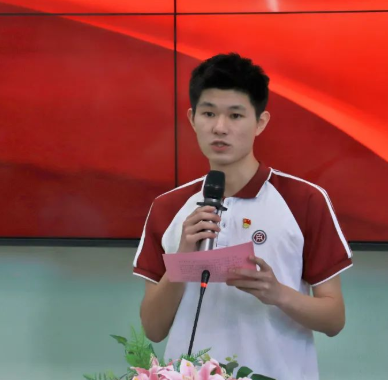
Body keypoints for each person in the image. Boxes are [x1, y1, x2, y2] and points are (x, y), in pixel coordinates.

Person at [132, 53, 353, 379]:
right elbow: (153, 328)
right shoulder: (169, 207)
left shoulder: (304, 200)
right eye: (209, 113)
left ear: (260, 122)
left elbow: (334, 319)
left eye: (235, 115)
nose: (220, 128)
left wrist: (278, 293)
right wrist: (182, 258)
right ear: (192, 119)